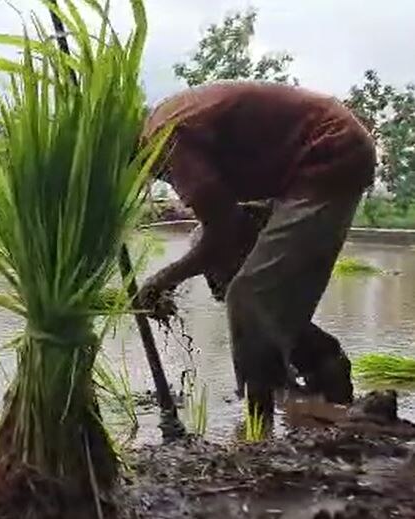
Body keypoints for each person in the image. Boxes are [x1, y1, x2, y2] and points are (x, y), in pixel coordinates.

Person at [136, 81, 376, 420]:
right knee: (230, 273)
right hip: (297, 168)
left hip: (329, 155)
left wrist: (162, 280)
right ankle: (320, 364)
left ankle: (263, 408)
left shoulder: (169, 140)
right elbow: (221, 228)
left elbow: (222, 235)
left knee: (247, 296)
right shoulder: (164, 128)